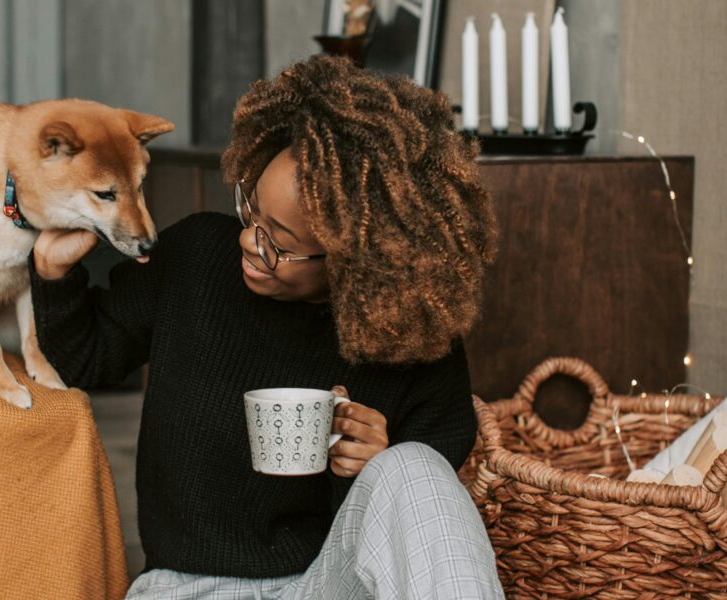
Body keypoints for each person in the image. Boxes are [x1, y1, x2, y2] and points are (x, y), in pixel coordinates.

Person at [28, 55, 503, 599]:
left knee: (414, 468)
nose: (250, 242)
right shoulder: (197, 258)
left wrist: (370, 466)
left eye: (280, 241)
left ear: (356, 263)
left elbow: (415, 546)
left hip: (322, 582)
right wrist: (54, 272)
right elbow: (85, 359)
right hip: (187, 589)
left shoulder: (414, 341)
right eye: (251, 212)